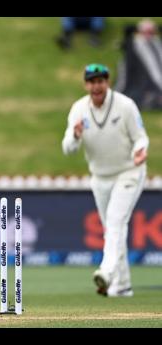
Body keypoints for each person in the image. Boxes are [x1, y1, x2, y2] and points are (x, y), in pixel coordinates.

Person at [62, 63, 149, 297]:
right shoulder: (79, 109)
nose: (96, 86)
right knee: (113, 229)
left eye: (100, 81)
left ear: (107, 82)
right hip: (100, 177)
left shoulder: (125, 105)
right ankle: (122, 286)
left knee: (115, 221)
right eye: (92, 81)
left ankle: (107, 272)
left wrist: (141, 150)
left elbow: (141, 138)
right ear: (86, 84)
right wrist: (75, 135)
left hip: (129, 172)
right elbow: (67, 148)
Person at [115, 18, 162, 109]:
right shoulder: (134, 46)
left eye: (151, 32)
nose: (148, 35)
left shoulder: (157, 44)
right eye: (146, 32)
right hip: (140, 86)